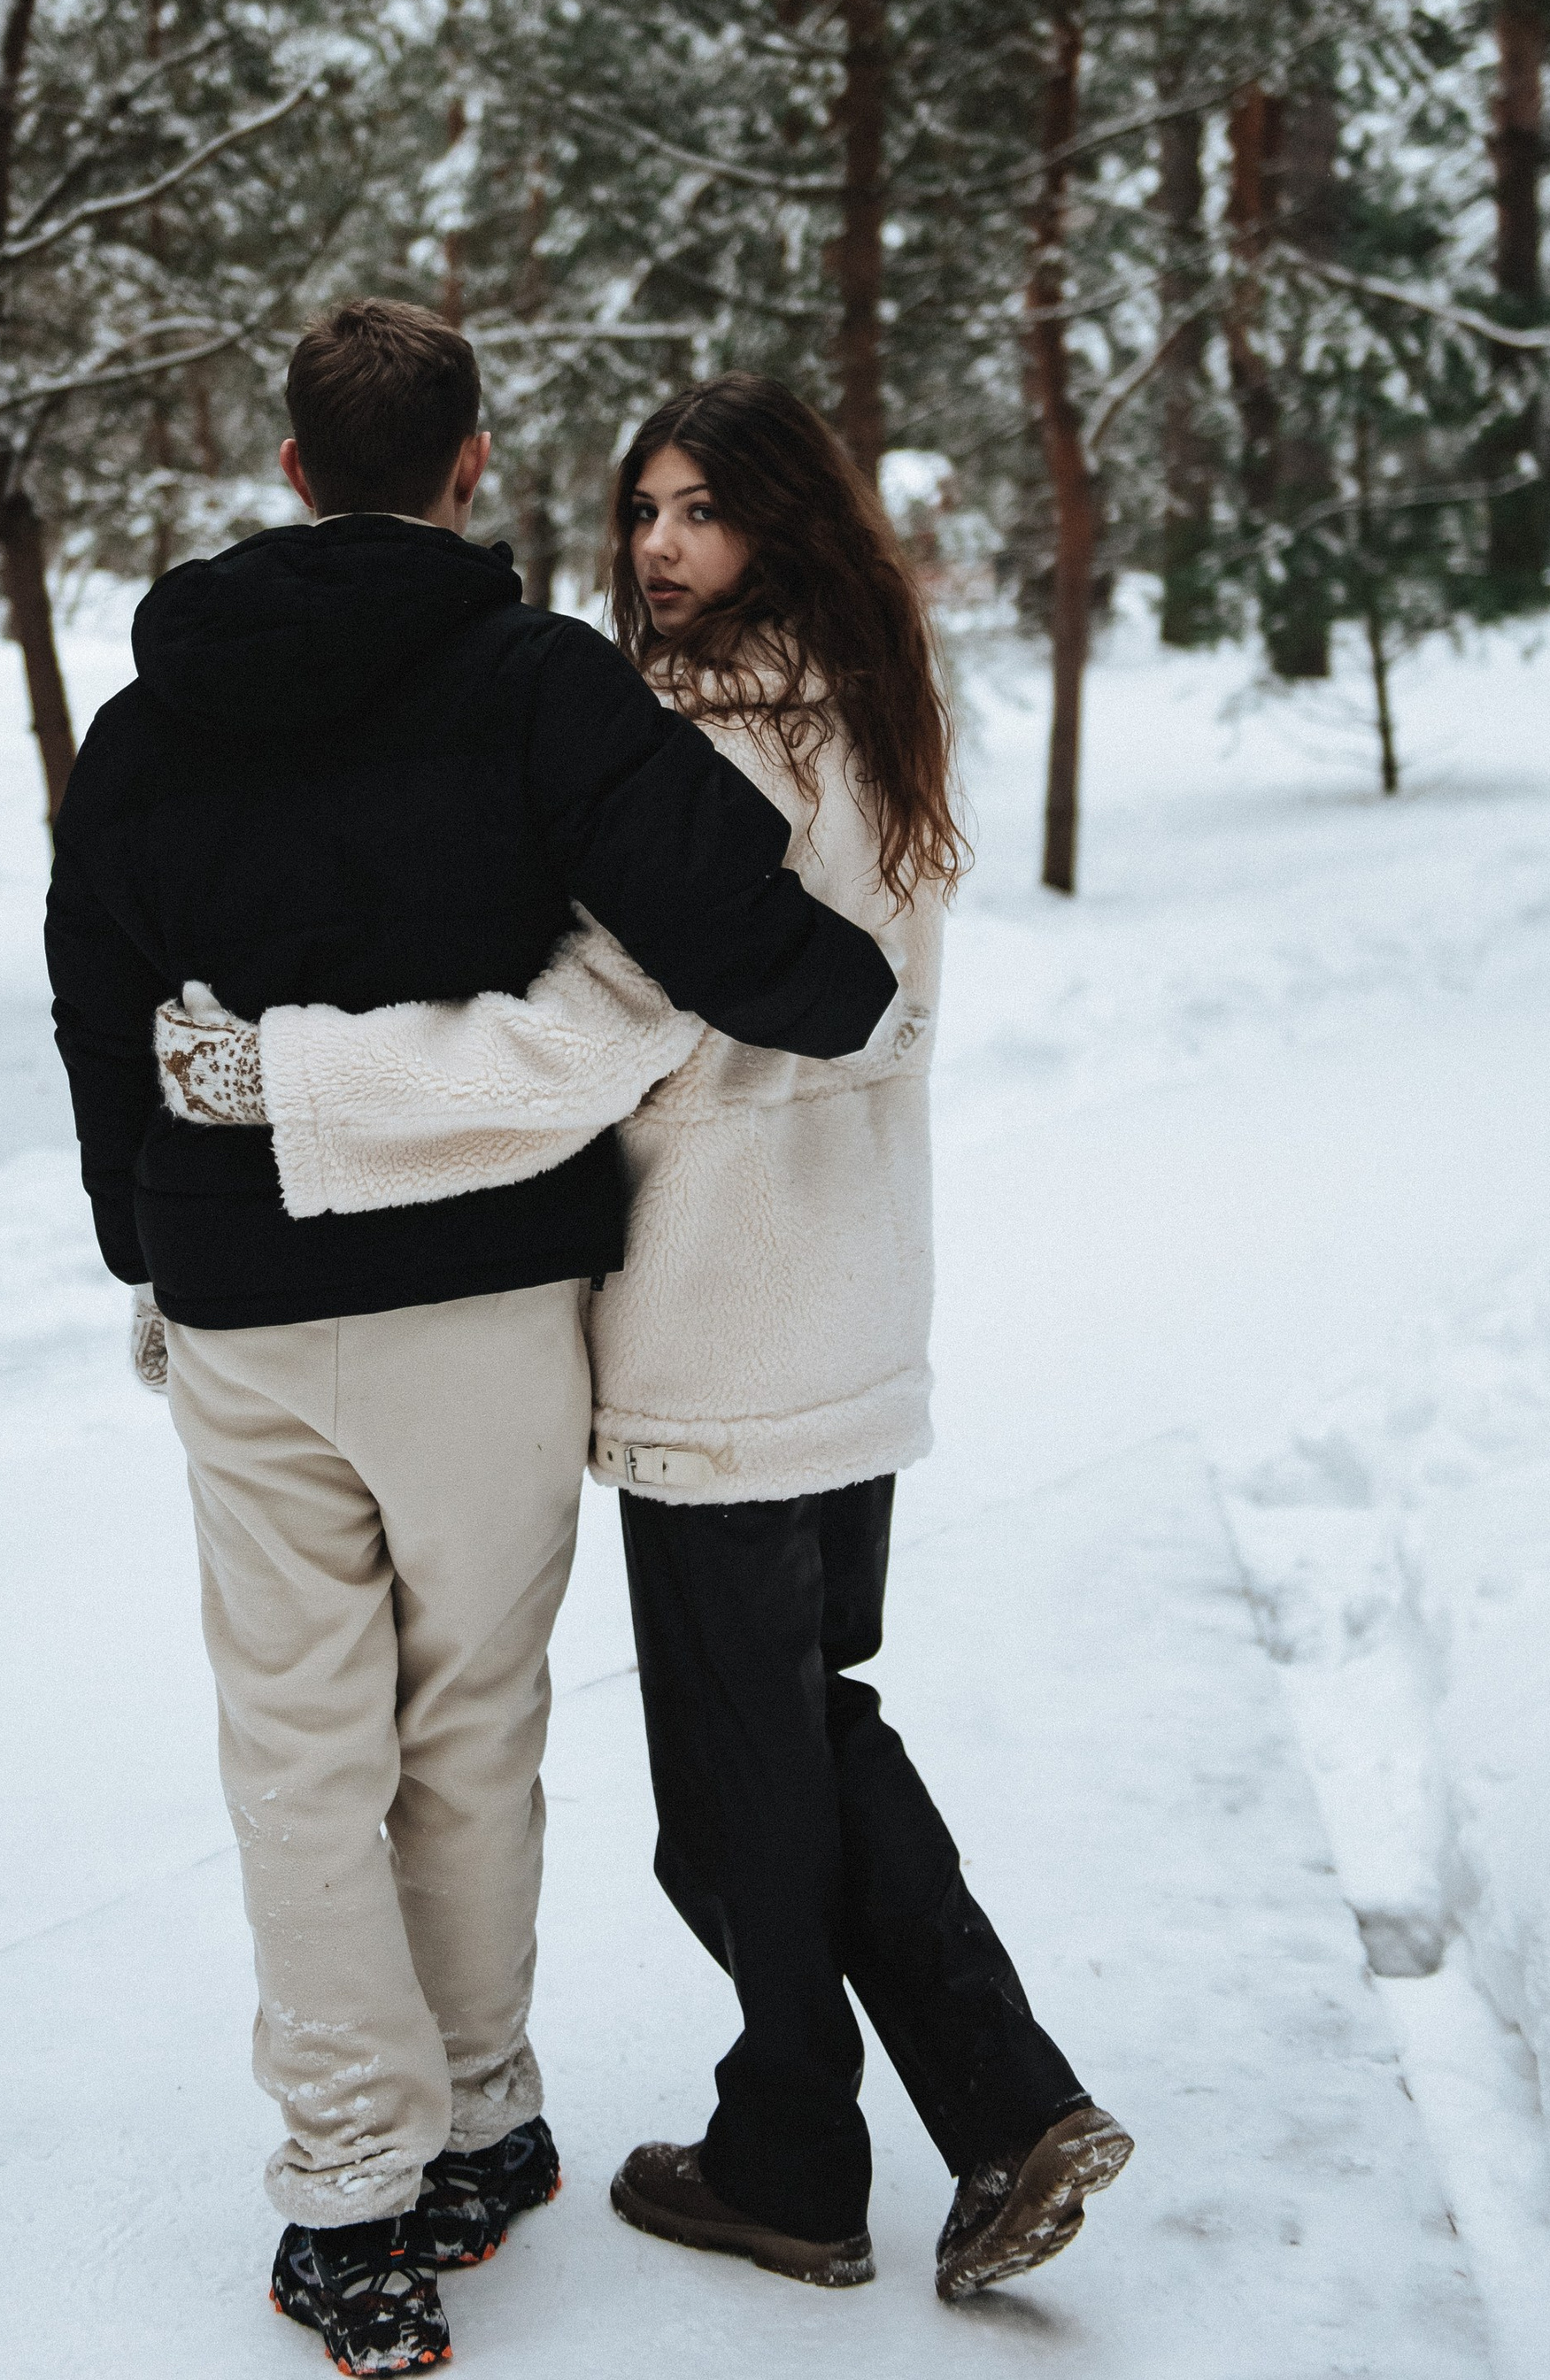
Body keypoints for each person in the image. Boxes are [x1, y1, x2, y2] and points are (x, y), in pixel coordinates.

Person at [195, 373, 1133, 2310]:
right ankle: (990, 2105)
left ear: (781, 524)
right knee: (803, 1720)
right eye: (640, 512)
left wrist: (274, 1072)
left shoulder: (713, 736)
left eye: (700, 512)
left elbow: (578, 1037)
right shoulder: (875, 707)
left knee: (730, 1795)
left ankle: (809, 2152)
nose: (657, 551)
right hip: (851, 1304)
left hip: (724, 1329)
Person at [44, 306, 898, 2376]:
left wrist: (136, 1246)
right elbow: (727, 918)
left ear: (283, 466)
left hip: (244, 1305)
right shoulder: (537, 681)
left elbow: (92, 994)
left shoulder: (149, 719)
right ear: (473, 465)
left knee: (297, 1746)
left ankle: (354, 2187)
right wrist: (846, 992)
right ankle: (485, 2112)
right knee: (467, 1732)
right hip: (489, 1299)